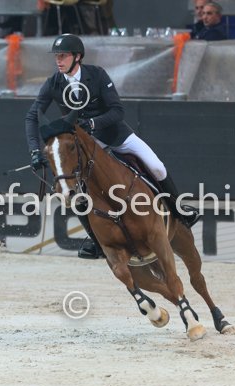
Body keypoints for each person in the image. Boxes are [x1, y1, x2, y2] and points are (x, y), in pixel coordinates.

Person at [25, 34, 201, 259]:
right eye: (56, 56)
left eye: (63, 56)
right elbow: (32, 117)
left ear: (77, 57)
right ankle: (95, 239)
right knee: (77, 191)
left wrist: (92, 123)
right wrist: (34, 150)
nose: (58, 60)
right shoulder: (53, 83)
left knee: (157, 167)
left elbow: (117, 111)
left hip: (117, 135)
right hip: (87, 145)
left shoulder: (97, 75)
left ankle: (179, 212)